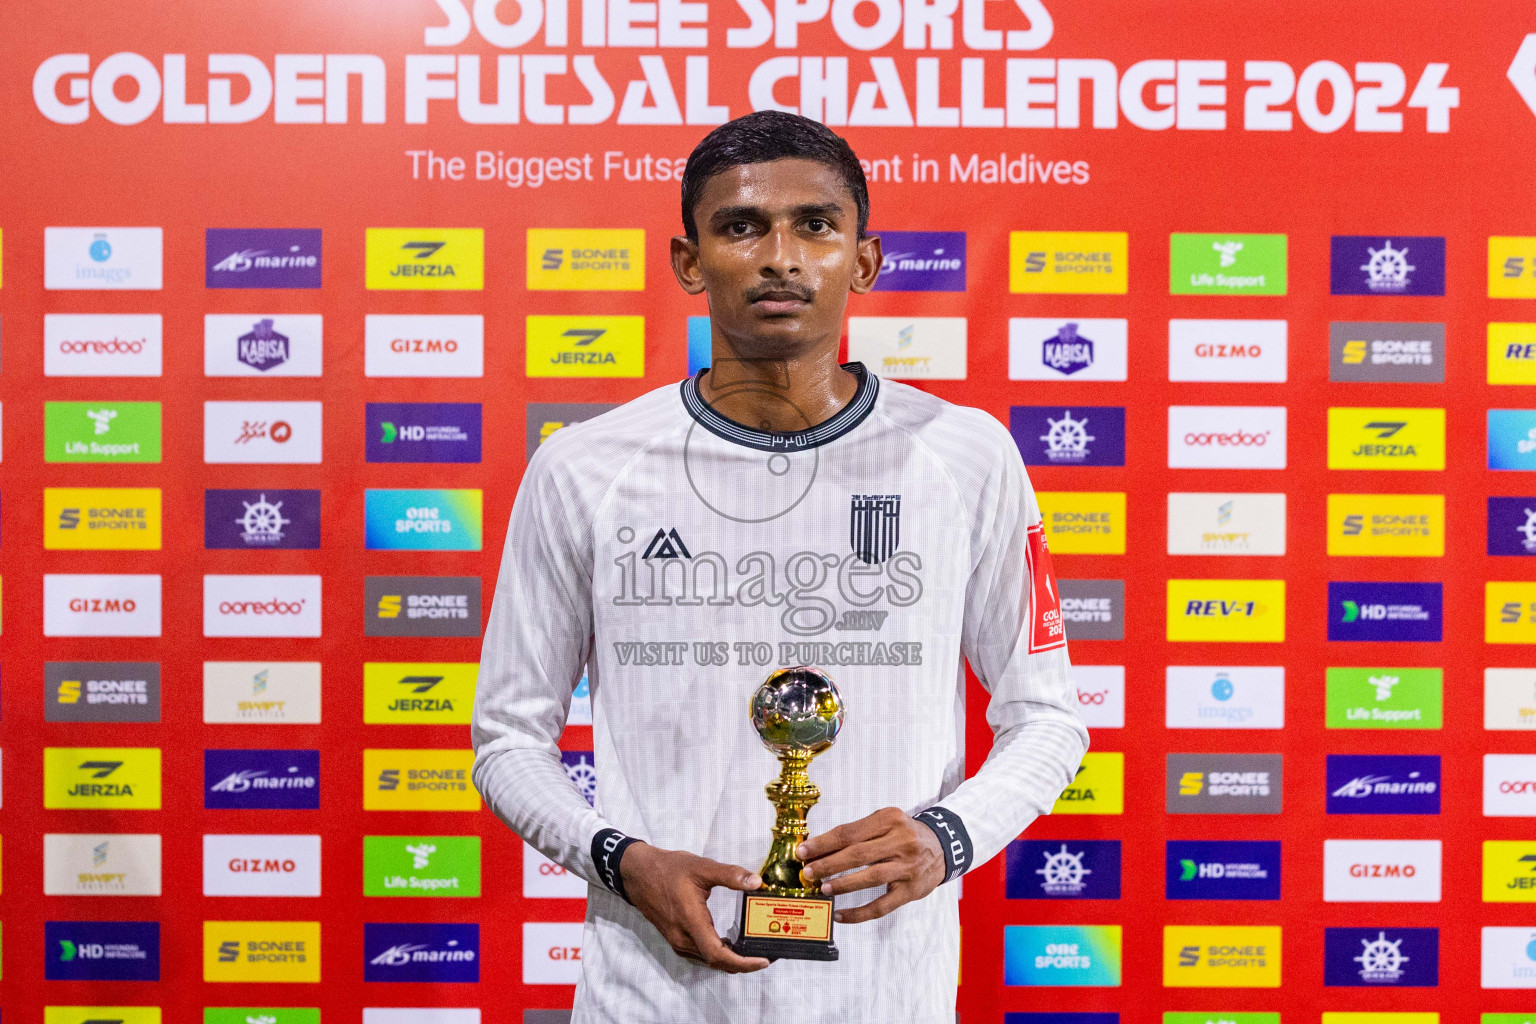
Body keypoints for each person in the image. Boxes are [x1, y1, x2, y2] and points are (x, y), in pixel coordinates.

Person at [473, 109, 1088, 1024]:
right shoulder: (586, 468)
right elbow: (508, 739)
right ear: (689, 262)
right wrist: (619, 858)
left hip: (885, 993)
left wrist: (944, 840)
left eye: (816, 225)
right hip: (653, 994)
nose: (781, 256)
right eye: (741, 226)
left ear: (865, 262)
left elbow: (1046, 717)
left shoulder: (966, 457)